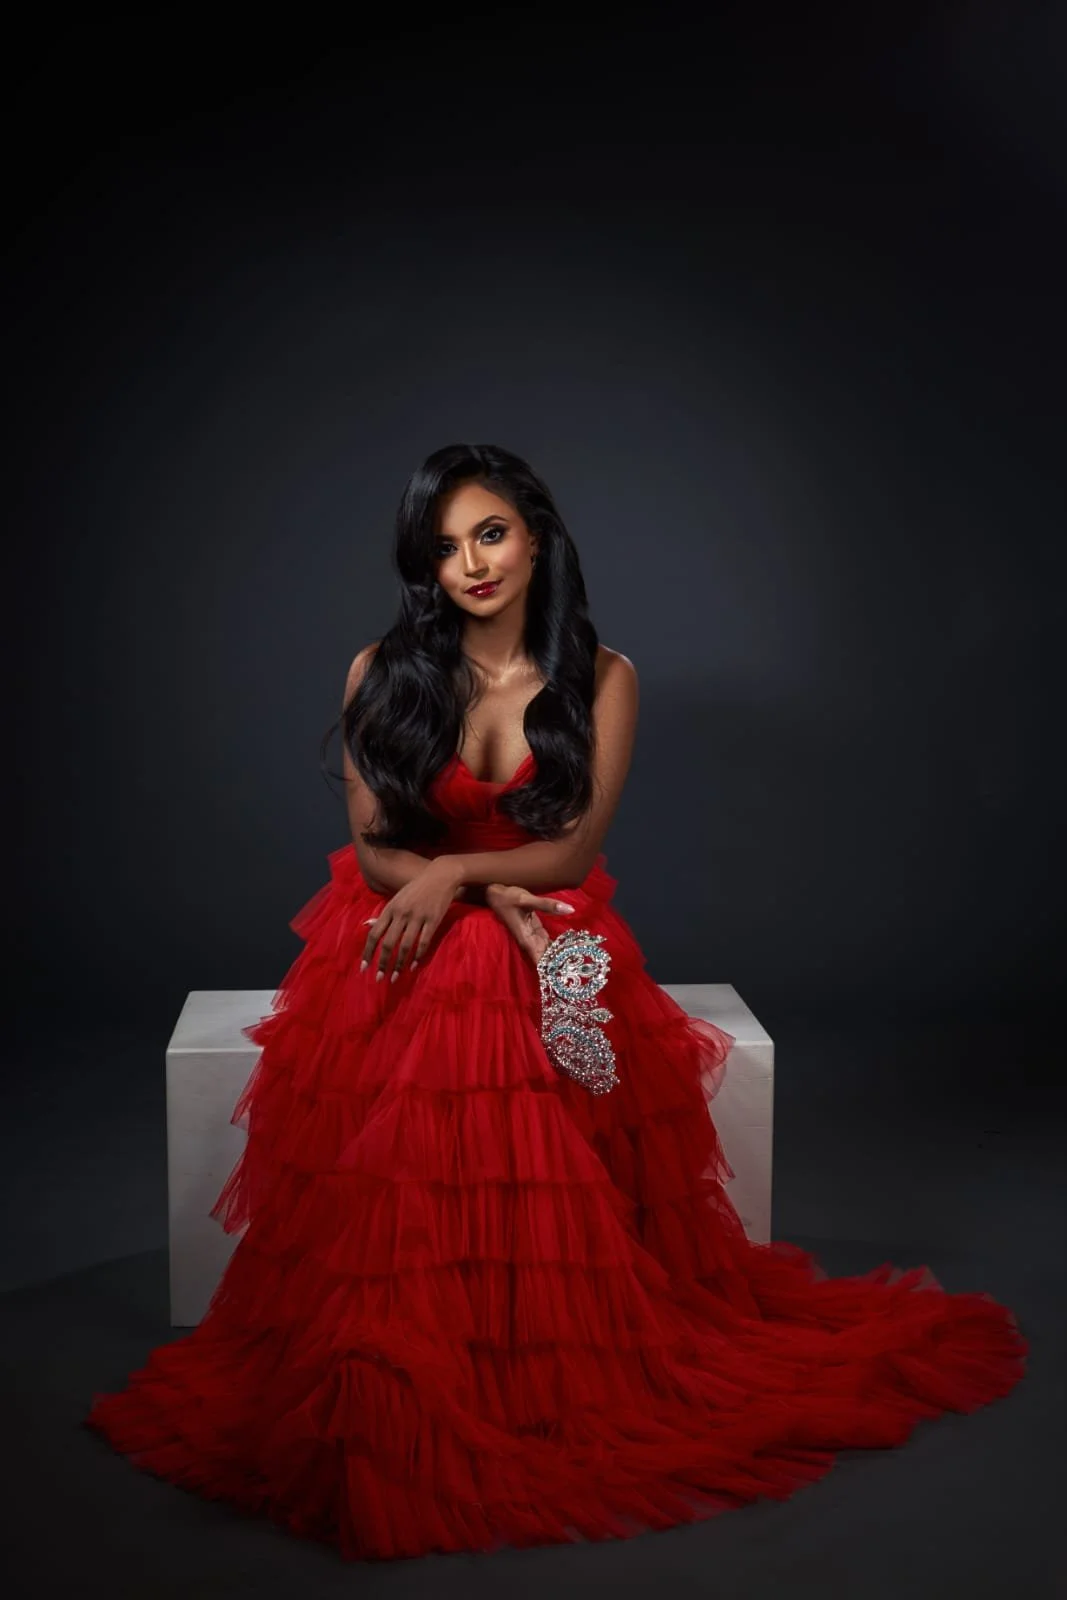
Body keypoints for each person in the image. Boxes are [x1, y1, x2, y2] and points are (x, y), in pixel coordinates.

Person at [85, 442, 1028, 1562]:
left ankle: (523, 1349)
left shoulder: (601, 673)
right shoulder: (378, 669)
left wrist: (466, 878)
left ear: (536, 534)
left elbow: (573, 850)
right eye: (444, 546)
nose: (471, 563)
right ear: (423, 567)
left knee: (518, 972)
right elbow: (379, 855)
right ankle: (406, 1350)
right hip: (397, 925)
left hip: (564, 933)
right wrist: (450, 885)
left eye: (490, 532)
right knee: (474, 963)